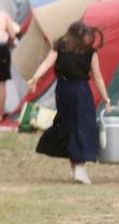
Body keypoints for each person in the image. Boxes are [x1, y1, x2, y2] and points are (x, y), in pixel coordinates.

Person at [30, 21, 109, 185]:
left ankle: (79, 167)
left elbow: (98, 76)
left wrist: (106, 98)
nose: (89, 41)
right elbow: (47, 62)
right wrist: (35, 77)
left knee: (82, 125)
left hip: (81, 91)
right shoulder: (60, 47)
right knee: (68, 124)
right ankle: (77, 167)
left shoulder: (90, 53)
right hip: (64, 90)